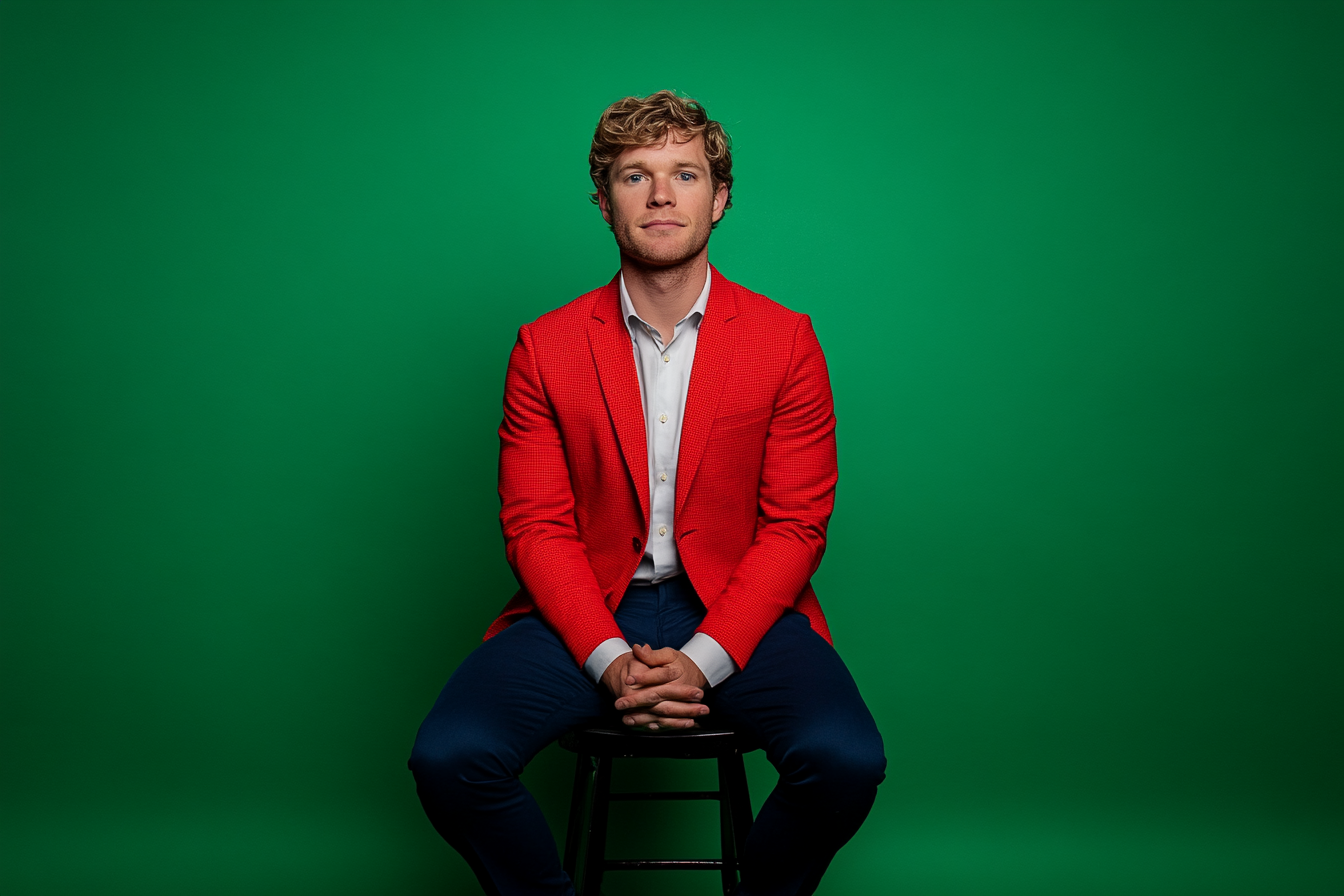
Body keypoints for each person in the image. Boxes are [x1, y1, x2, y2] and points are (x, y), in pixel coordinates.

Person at [409, 90, 885, 896]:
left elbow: (796, 526)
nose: (661, 195)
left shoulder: (786, 341)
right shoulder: (545, 347)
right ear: (604, 201)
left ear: (719, 197)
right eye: (636, 175)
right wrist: (609, 660)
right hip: (587, 605)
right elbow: (535, 527)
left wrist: (701, 662)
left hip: (738, 608)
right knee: (449, 759)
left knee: (846, 760)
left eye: (685, 174)